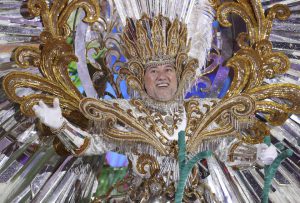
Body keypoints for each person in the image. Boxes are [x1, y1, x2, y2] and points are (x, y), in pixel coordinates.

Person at [32, 16, 277, 202]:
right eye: (153, 70)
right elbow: (87, 146)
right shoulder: (126, 114)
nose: (162, 76)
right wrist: (60, 125)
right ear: (141, 78)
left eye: (168, 69)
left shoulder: (200, 112)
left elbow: (225, 149)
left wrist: (256, 154)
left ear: (179, 75)